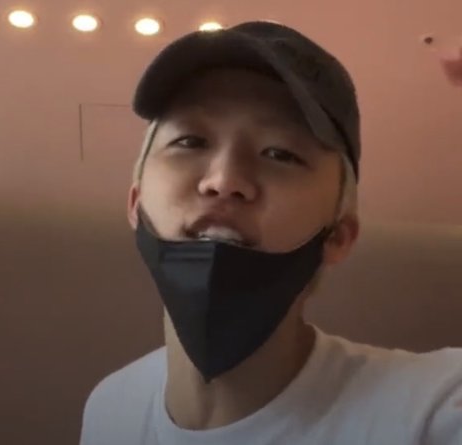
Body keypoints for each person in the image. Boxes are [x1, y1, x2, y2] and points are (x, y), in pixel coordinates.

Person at [80, 21, 462, 445]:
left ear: (338, 236)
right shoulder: (111, 407)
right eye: (190, 141)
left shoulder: (433, 408)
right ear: (136, 204)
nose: (225, 180)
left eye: (280, 153)